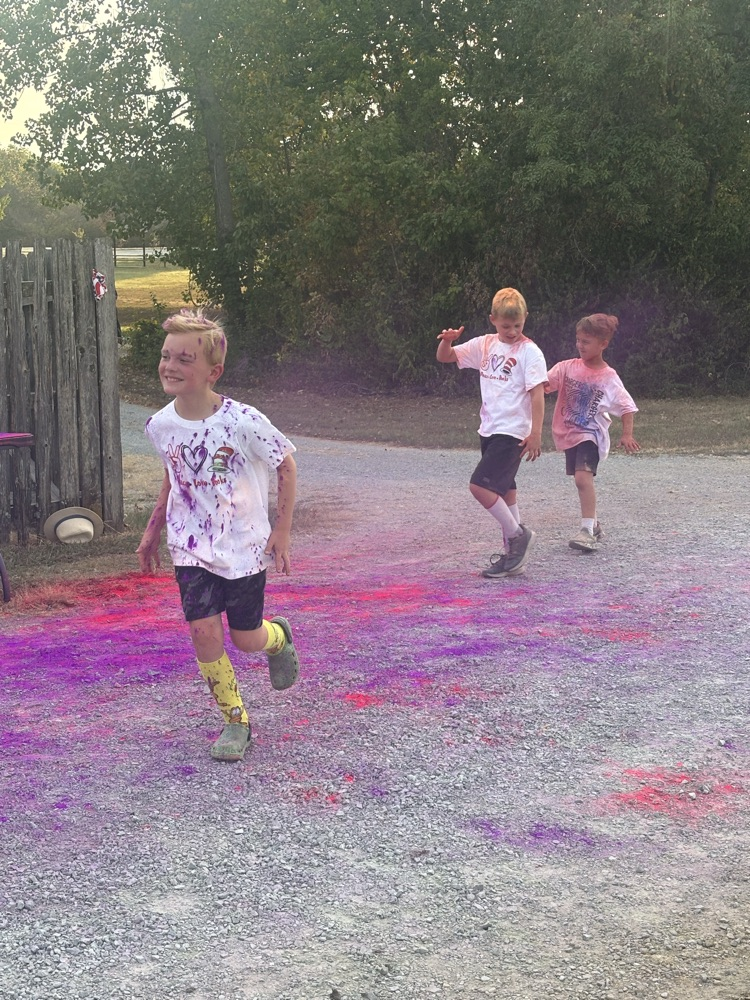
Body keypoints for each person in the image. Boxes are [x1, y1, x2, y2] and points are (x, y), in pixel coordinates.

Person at [137, 308, 299, 763]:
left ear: (214, 371)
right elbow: (174, 478)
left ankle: (278, 639)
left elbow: (285, 464)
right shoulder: (160, 426)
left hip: (244, 548)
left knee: (246, 638)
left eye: (184, 359)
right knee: (204, 633)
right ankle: (235, 720)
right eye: (167, 356)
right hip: (190, 548)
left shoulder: (243, 421)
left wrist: (282, 530)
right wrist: (153, 532)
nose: (170, 366)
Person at [436, 287, 547, 579]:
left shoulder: (530, 352)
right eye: (506, 326)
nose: (512, 332)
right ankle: (515, 557)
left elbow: (537, 394)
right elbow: (446, 358)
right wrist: (447, 342)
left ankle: (517, 536)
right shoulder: (484, 345)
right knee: (504, 488)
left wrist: (536, 433)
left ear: (525, 319)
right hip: (489, 427)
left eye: (518, 325)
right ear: (493, 320)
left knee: (480, 486)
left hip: (513, 431)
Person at [545, 313, 640, 552]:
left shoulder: (608, 377)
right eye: (578, 340)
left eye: (586, 341)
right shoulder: (567, 367)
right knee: (579, 480)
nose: (580, 345)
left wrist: (627, 434)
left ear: (603, 344)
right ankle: (595, 525)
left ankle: (586, 531)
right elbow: (544, 386)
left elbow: (627, 406)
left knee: (582, 479)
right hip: (569, 434)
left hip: (591, 435)